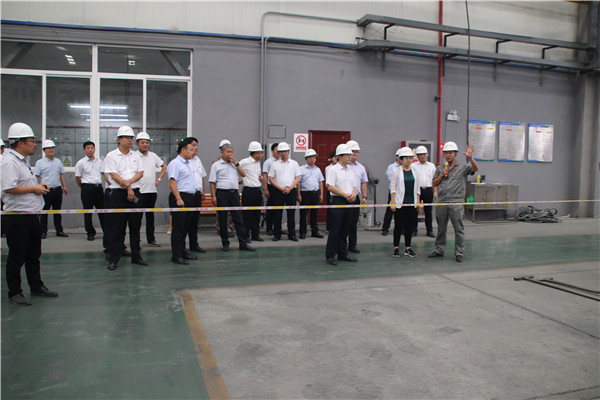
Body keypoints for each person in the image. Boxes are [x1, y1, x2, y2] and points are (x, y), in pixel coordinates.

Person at [2, 122, 58, 306]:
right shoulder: (9, 162)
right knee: (17, 256)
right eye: (31, 141)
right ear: (20, 143)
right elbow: (8, 188)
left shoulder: (22, 161)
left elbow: (22, 184)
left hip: (31, 215)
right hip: (17, 217)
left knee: (33, 254)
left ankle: (36, 285)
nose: (35, 145)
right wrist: (34, 189)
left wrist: (38, 187)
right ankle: (15, 292)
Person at [103, 125, 147, 270]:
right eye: (127, 138)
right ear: (119, 139)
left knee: (135, 227)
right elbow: (113, 174)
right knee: (117, 228)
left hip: (135, 192)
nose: (130, 140)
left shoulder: (136, 155)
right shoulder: (111, 156)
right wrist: (128, 187)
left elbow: (140, 173)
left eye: (131, 138)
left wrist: (130, 184)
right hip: (118, 194)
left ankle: (136, 256)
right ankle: (114, 258)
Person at [429, 142, 479, 262]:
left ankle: (459, 252)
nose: (448, 155)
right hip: (442, 201)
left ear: (455, 154)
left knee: (458, 229)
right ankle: (439, 250)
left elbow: (475, 169)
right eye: (446, 153)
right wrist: (442, 174)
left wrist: (471, 158)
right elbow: (434, 183)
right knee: (441, 228)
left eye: (450, 153)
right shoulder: (440, 168)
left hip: (456, 201)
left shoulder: (462, 166)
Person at [209, 142, 255, 252]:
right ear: (222, 152)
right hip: (222, 193)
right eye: (228, 152)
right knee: (223, 219)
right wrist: (213, 196)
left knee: (238, 219)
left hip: (234, 193)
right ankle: (225, 243)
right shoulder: (216, 165)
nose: (230, 154)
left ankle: (243, 243)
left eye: (231, 152)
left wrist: (236, 163)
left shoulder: (235, 164)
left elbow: (243, 174)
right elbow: (212, 182)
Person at [167, 137, 199, 265]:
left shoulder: (187, 164)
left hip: (189, 198)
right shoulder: (175, 163)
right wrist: (178, 198)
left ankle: (183, 251)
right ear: (183, 150)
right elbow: (172, 182)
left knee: (186, 227)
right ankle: (177, 255)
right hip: (180, 197)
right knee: (178, 228)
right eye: (190, 149)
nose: (193, 151)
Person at [325, 144, 357, 266]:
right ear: (340, 156)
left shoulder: (350, 170)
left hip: (349, 201)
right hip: (338, 200)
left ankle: (343, 253)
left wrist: (353, 194)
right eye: (347, 155)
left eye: (350, 155)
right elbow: (330, 186)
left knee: (345, 229)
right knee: (335, 229)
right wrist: (345, 195)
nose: (350, 157)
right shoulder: (333, 170)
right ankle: (330, 255)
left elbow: (354, 186)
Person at [136, 132, 167, 246]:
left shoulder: (153, 156)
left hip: (151, 191)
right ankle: (136, 241)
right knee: (137, 218)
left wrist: (159, 179)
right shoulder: (134, 156)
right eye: (142, 142)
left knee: (150, 217)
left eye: (147, 142)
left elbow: (164, 166)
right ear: (138, 143)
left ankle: (151, 239)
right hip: (139, 192)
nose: (145, 144)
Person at [390, 147, 422, 258]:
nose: (408, 160)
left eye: (410, 158)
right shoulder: (396, 171)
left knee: (409, 226)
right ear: (401, 159)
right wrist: (393, 202)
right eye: (406, 158)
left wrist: (418, 202)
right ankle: (396, 247)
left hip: (411, 203)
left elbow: (417, 188)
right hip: (400, 203)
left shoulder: (415, 171)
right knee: (398, 226)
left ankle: (408, 247)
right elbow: (393, 188)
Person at [35, 139, 68, 238]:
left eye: (52, 148)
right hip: (46, 190)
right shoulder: (40, 163)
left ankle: (59, 231)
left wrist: (64, 186)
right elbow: (37, 176)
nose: (51, 150)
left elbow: (61, 174)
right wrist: (37, 188)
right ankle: (43, 231)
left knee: (57, 211)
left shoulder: (58, 161)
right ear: (44, 150)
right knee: (44, 212)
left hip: (57, 189)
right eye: (48, 148)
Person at [268, 142, 300, 242]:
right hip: (278, 192)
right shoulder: (275, 164)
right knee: (277, 214)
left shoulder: (294, 164)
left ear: (288, 152)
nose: (283, 153)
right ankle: (277, 235)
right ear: (278, 153)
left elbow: (297, 177)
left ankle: (292, 234)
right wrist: (280, 188)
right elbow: (271, 178)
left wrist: (290, 188)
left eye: (285, 151)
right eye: (281, 151)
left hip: (291, 191)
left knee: (291, 214)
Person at [75, 141, 105, 241]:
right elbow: (77, 178)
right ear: (84, 150)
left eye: (92, 148)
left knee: (102, 211)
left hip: (98, 188)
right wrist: (84, 188)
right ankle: (90, 232)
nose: (90, 150)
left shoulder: (100, 162)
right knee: (88, 211)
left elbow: (105, 174)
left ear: (94, 149)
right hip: (87, 188)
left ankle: (106, 231)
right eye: (88, 148)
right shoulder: (81, 163)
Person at [240, 141, 265, 242]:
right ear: (255, 153)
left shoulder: (258, 163)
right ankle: (246, 235)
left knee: (256, 214)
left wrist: (260, 178)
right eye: (261, 152)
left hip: (257, 191)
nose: (262, 154)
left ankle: (255, 234)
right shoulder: (244, 162)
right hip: (249, 191)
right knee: (247, 215)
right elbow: (235, 169)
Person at [346, 140, 368, 253]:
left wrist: (364, 197)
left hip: (356, 198)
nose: (355, 154)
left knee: (353, 223)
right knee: (343, 223)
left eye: (357, 151)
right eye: (353, 151)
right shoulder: (342, 166)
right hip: (344, 198)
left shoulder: (361, 167)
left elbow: (363, 183)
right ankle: (341, 246)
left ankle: (352, 245)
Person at [298, 149, 325, 239]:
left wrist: (321, 194)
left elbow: (320, 182)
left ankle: (315, 232)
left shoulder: (318, 170)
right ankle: (302, 232)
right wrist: (298, 194)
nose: (312, 159)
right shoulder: (301, 169)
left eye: (313, 157)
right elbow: (298, 183)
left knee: (314, 214)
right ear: (306, 159)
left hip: (315, 193)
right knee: (303, 214)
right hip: (305, 193)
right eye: (310, 157)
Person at [411, 145, 437, 238]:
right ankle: (414, 230)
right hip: (417, 190)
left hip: (428, 190)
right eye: (420, 154)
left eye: (424, 154)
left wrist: (435, 191)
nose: (422, 156)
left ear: (427, 155)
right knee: (415, 211)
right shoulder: (413, 166)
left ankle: (429, 230)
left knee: (428, 211)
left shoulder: (431, 166)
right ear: (417, 156)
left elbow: (434, 180)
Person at [188, 137, 207, 253]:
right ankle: (181, 248)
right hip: (187, 195)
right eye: (193, 145)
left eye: (197, 145)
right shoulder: (184, 161)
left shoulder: (198, 160)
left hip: (197, 195)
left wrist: (202, 190)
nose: (196, 147)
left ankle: (194, 244)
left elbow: (201, 176)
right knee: (185, 222)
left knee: (194, 222)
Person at [261, 142, 279, 235]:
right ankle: (269, 228)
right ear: (272, 151)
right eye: (276, 150)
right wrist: (266, 190)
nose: (279, 152)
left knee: (278, 210)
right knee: (271, 209)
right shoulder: (268, 162)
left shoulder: (282, 162)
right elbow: (265, 176)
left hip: (280, 188)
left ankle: (277, 228)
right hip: (271, 187)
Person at [324, 150, 337, 232]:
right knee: (330, 210)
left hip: (340, 192)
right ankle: (329, 227)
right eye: (335, 157)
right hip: (331, 191)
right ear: (332, 158)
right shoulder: (328, 168)